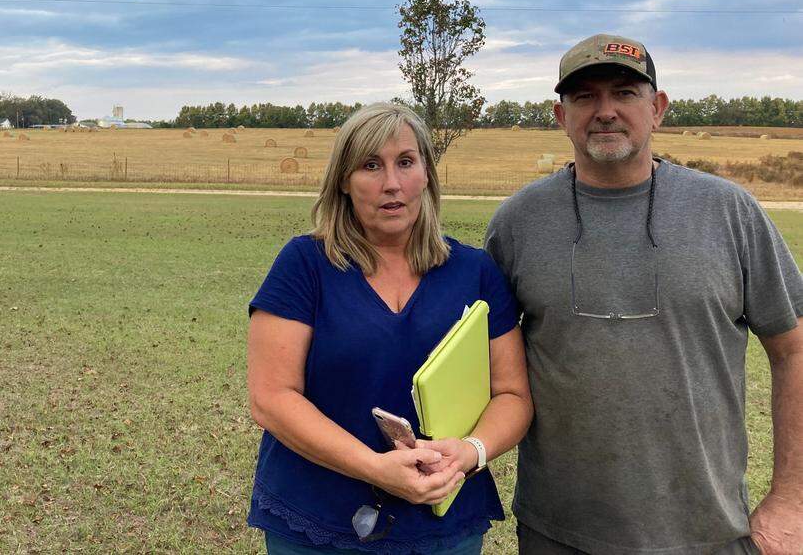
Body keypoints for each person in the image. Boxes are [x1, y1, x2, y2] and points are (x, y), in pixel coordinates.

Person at [484, 33, 803, 555]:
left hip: (709, 531)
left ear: (657, 109)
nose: (605, 111)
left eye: (625, 93)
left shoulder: (728, 212)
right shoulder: (518, 223)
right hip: (558, 531)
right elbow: (487, 364)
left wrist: (792, 499)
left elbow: (794, 349)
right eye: (584, 96)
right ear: (560, 116)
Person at [247, 102, 533, 554]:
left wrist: (471, 451)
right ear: (344, 181)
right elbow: (271, 398)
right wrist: (374, 467)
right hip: (317, 520)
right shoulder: (305, 266)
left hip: (443, 524)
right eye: (370, 166)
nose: (391, 184)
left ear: (426, 174)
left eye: (405, 162)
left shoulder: (474, 271)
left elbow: (513, 395)